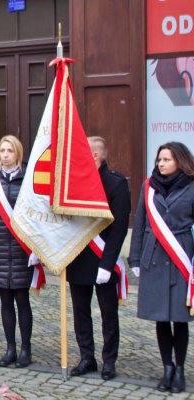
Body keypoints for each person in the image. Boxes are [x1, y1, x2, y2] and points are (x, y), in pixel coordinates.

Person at [129, 142, 194, 393]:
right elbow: (140, 222)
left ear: (180, 160)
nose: (161, 164)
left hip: (181, 258)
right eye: (159, 160)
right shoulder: (148, 187)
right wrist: (135, 260)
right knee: (160, 319)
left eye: (166, 159)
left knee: (179, 319)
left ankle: (179, 370)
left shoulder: (191, 186)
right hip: (153, 257)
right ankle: (166, 368)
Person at [66, 136, 131, 380]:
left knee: (108, 314)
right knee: (80, 311)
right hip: (80, 257)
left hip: (104, 258)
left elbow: (119, 228)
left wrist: (107, 263)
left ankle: (109, 361)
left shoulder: (116, 183)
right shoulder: (73, 182)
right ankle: (87, 357)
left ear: (94, 155)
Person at [0, 135, 39, 368]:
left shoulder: (29, 178)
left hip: (22, 247)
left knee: (22, 299)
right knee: (5, 298)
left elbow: (36, 214)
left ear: (18, 154)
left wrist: (36, 247)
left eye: (9, 151)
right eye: (2, 150)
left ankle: (26, 349)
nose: (5, 155)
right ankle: (10, 348)